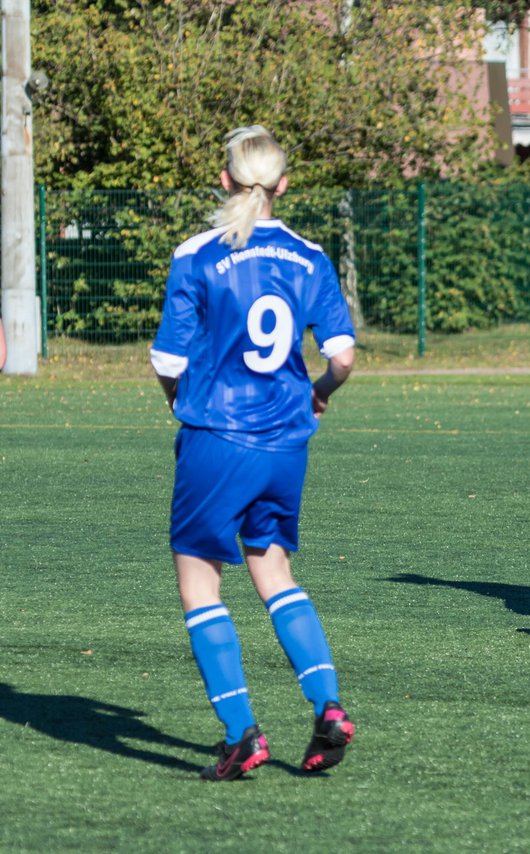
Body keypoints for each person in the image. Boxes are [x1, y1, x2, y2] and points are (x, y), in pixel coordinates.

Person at [150, 126, 357, 781]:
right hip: (286, 442)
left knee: (199, 580)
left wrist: (178, 402)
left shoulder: (199, 254)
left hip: (218, 436)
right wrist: (320, 390)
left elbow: (166, 360)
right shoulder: (310, 256)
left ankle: (243, 735)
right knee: (274, 573)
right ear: (284, 184)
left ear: (225, 179)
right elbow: (343, 356)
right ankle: (328, 706)